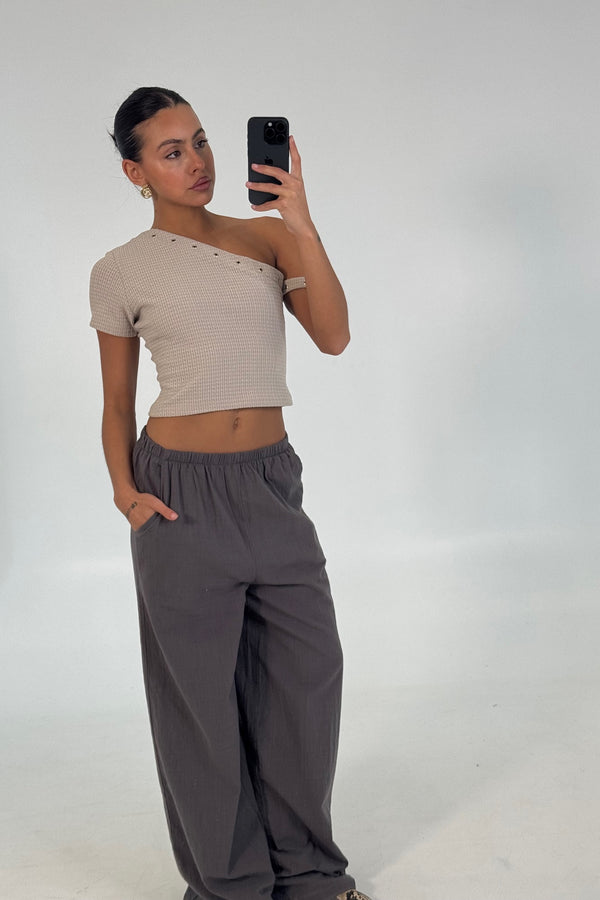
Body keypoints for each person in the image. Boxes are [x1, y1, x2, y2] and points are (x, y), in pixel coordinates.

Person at [90, 86, 371, 900]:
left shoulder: (267, 238)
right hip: (176, 494)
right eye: (172, 151)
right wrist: (126, 493)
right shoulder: (119, 272)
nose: (198, 161)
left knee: (307, 677)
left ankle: (311, 874)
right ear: (135, 172)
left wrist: (302, 223)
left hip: (269, 483)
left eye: (202, 141)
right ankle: (229, 885)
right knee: (199, 706)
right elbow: (115, 401)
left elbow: (334, 337)